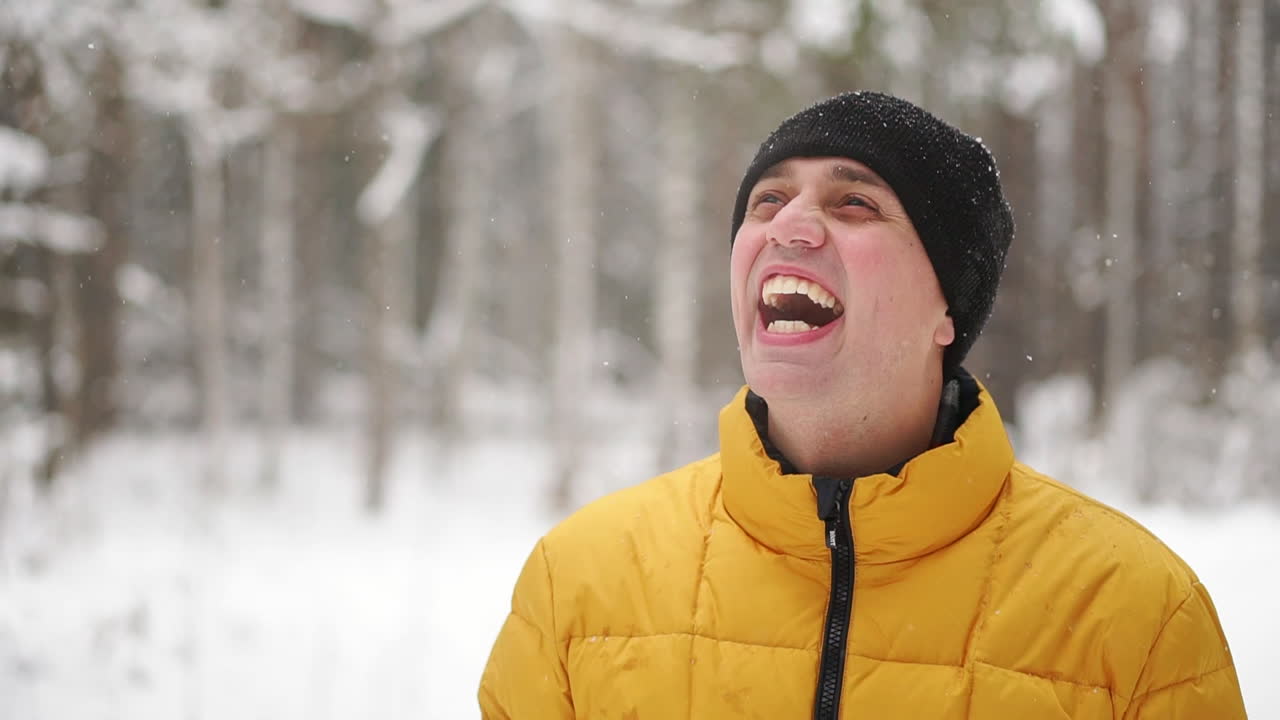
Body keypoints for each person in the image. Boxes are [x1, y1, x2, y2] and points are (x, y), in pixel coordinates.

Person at [478, 91, 1247, 719]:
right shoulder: (579, 586)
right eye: (767, 199)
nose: (790, 224)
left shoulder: (1134, 615)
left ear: (948, 306)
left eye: (854, 203)